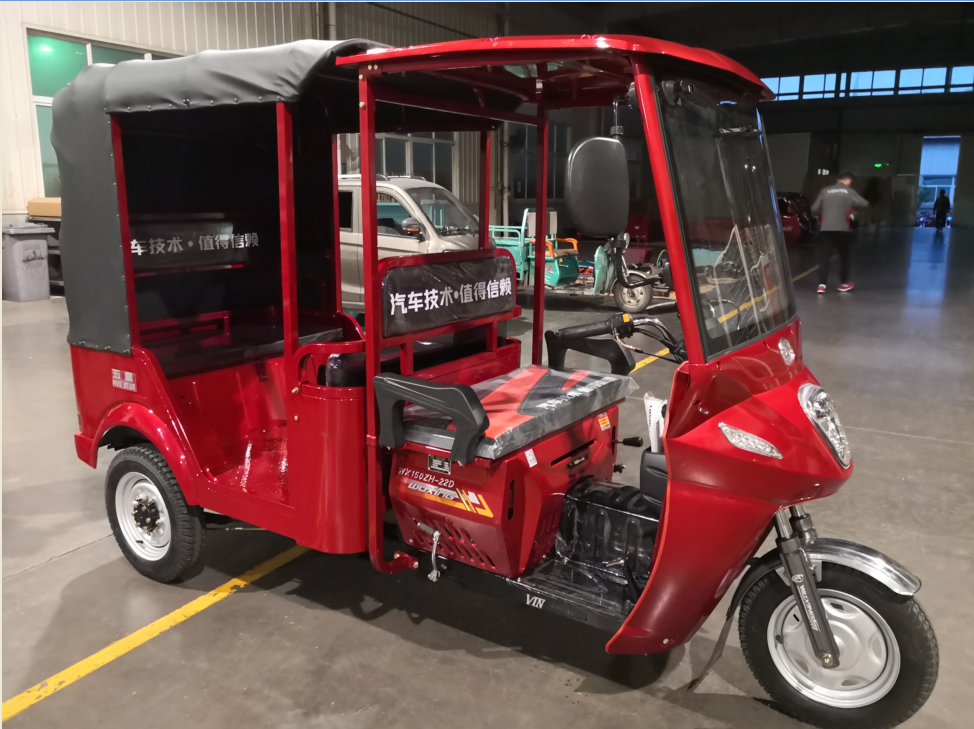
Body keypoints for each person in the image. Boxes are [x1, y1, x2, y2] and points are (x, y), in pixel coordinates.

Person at [811, 172, 869, 293]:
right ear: (849, 181)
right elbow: (864, 203)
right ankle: (843, 283)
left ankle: (821, 285)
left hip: (825, 229)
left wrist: (819, 216)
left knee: (824, 258)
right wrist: (852, 210)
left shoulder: (825, 191)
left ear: (839, 179)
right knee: (844, 258)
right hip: (842, 230)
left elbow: (814, 208)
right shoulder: (848, 192)